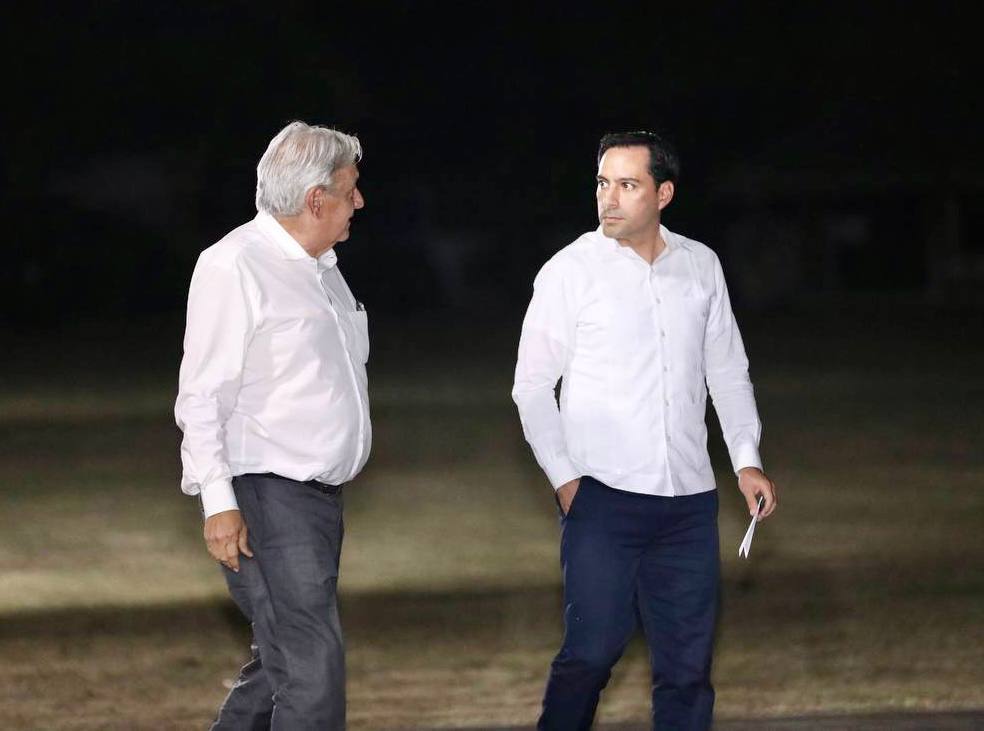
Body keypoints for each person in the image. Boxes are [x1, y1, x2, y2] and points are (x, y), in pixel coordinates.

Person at [512, 131, 778, 730]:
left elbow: (727, 370)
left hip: (689, 502)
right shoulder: (569, 271)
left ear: (663, 193)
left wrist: (746, 460)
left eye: (627, 185)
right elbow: (531, 387)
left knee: (687, 670)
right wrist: (566, 481)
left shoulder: (701, 265)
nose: (609, 198)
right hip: (601, 498)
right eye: (602, 183)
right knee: (590, 655)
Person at [175, 121, 369, 730]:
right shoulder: (234, 265)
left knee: (284, 659)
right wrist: (219, 505)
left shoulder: (322, 268)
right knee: (312, 668)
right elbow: (201, 396)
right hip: (267, 496)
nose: (359, 201)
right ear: (316, 199)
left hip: (315, 501)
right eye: (350, 190)